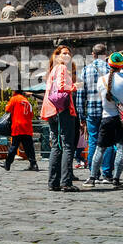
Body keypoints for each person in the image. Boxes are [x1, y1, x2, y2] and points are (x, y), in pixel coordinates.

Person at [86, 53, 123, 188]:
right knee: (121, 149)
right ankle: (116, 180)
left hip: (106, 118)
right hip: (122, 118)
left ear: (109, 64)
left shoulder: (101, 80)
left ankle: (92, 177)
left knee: (100, 149)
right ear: (122, 65)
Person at [42, 44, 80, 192]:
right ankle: (66, 182)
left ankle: (54, 182)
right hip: (62, 109)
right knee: (67, 145)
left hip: (52, 110)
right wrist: (75, 86)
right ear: (57, 56)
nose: (67, 55)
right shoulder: (62, 68)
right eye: (63, 53)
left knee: (57, 146)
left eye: (69, 53)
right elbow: (62, 87)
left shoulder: (52, 71)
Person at [79, 43, 115, 183]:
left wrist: (82, 116)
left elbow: (81, 95)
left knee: (93, 141)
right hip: (108, 111)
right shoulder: (110, 69)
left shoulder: (85, 70)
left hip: (92, 112)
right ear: (106, 55)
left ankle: (94, 173)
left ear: (93, 54)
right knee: (109, 142)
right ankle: (107, 174)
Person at [2, 89, 39, 171]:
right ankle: (34, 164)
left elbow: (7, 110)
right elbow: (31, 115)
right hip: (27, 127)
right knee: (29, 147)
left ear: (15, 92)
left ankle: (7, 164)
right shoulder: (26, 101)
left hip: (17, 126)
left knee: (14, 146)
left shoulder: (14, 98)